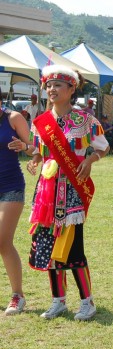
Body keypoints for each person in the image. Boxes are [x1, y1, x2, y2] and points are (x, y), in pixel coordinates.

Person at [25, 65, 109, 320]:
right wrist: (36, 157)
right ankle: (58, 300)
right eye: (49, 85)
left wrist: (90, 159)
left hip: (72, 191)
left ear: (72, 89)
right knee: (49, 247)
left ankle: (87, 302)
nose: (52, 89)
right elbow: (41, 148)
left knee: (73, 249)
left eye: (58, 85)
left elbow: (103, 147)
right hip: (46, 193)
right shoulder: (42, 122)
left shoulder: (85, 120)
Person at [0, 90, 34, 315]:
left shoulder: (13, 118)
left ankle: (17, 296)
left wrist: (24, 147)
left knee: (2, 241)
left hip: (10, 186)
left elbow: (34, 147)